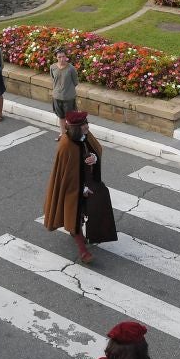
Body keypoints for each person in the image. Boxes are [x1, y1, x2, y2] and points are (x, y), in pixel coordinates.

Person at [42, 111, 117, 263]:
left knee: (101, 197)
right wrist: (81, 189)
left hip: (89, 181)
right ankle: (83, 251)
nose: (87, 126)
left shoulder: (86, 135)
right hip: (72, 188)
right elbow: (66, 175)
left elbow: (97, 149)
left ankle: (95, 232)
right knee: (74, 214)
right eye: (83, 125)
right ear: (76, 128)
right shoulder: (65, 144)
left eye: (86, 123)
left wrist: (94, 158)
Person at [49, 51, 78, 140]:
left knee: (70, 118)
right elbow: (53, 79)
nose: (62, 59)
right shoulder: (52, 67)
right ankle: (62, 134)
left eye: (63, 56)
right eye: (59, 57)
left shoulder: (71, 69)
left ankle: (71, 135)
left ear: (66, 57)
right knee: (61, 116)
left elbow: (75, 82)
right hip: (57, 97)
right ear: (56, 58)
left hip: (68, 98)